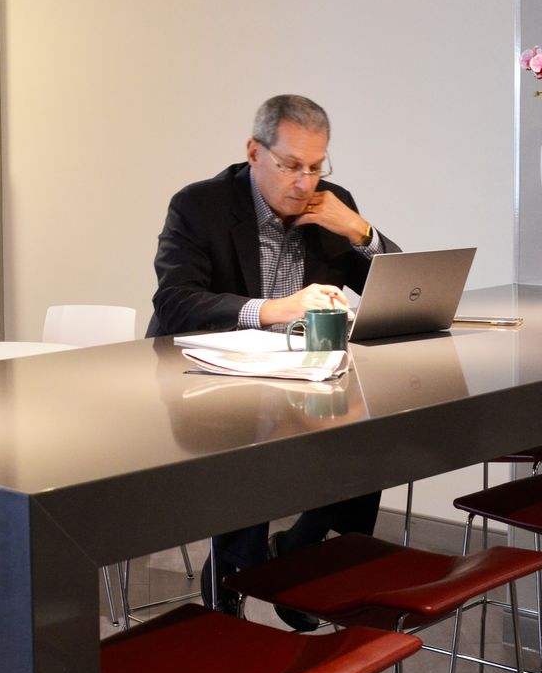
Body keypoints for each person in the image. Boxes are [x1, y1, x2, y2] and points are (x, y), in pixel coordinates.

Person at [147, 94, 401, 622]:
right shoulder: (200, 206)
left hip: (299, 381)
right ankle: (233, 581)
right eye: (290, 166)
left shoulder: (331, 204)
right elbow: (175, 303)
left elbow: (399, 290)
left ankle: (305, 560)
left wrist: (359, 231)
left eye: (316, 167)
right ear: (254, 152)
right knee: (247, 439)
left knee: (375, 432)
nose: (305, 183)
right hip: (208, 383)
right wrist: (274, 309)